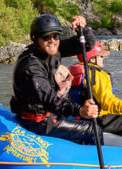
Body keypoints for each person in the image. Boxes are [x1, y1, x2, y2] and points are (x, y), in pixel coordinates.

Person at [11, 13, 100, 145]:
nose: (52, 40)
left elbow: (86, 45)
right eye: (46, 37)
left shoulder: (51, 50)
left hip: (50, 112)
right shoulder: (31, 68)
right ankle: (93, 163)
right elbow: (52, 101)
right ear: (36, 39)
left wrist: (82, 28)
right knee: (94, 129)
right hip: (39, 122)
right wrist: (80, 110)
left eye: (56, 36)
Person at [67, 41, 122, 141]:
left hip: (76, 118)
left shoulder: (72, 70)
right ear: (92, 58)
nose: (104, 58)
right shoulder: (97, 74)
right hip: (95, 120)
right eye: (101, 56)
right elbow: (107, 102)